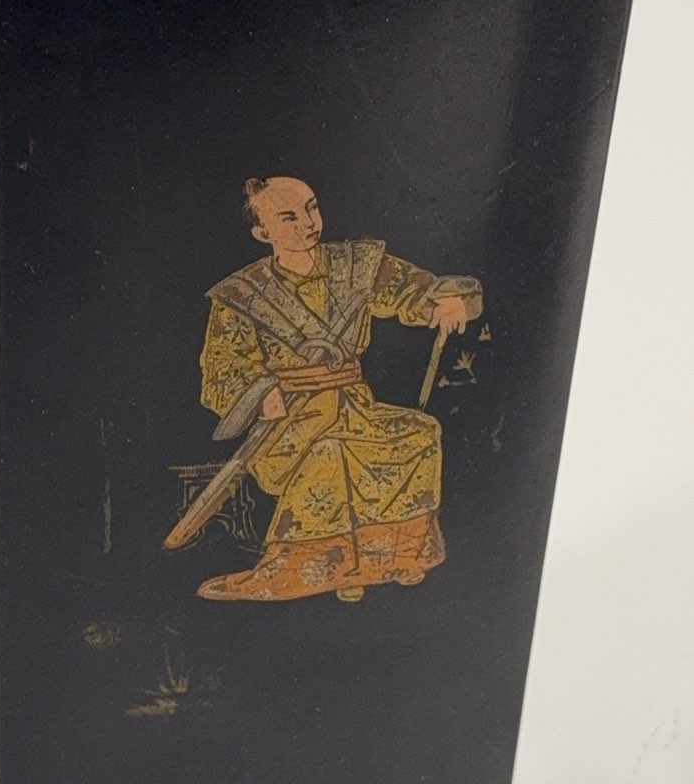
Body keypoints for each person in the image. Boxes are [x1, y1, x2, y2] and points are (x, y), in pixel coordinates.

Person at [196, 176, 483, 602]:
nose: (308, 223)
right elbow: (221, 370)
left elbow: (416, 291)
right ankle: (318, 571)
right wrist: (259, 395)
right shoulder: (242, 295)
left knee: (420, 432)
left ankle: (399, 558)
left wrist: (450, 301)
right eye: (288, 217)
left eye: (311, 208)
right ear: (262, 232)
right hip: (290, 423)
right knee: (331, 450)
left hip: (355, 406)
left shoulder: (355, 266)